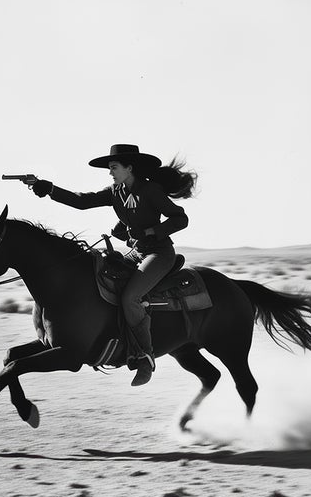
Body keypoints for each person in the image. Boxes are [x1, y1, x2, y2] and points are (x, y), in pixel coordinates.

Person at [22, 143, 195, 385]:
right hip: (136, 253)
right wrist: (48, 188)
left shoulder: (151, 190)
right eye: (110, 168)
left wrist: (152, 231)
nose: (110, 172)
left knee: (130, 298)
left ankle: (145, 356)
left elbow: (180, 218)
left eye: (114, 167)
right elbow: (81, 201)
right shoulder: (116, 192)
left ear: (129, 168)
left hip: (159, 254)